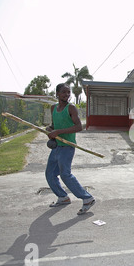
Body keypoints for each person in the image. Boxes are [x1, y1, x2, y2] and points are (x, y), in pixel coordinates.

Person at [45, 83, 95, 215]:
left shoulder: (71, 108)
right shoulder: (53, 108)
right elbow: (54, 125)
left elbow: (79, 127)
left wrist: (58, 132)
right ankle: (63, 197)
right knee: (50, 174)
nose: (67, 95)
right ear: (57, 94)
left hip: (67, 146)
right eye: (64, 92)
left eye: (68, 92)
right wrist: (50, 129)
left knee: (65, 174)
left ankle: (87, 198)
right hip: (57, 146)